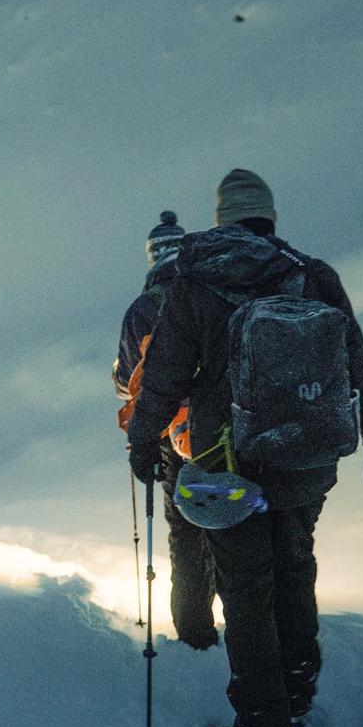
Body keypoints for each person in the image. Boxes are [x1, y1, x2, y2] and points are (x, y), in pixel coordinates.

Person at [125, 169, 363, 727]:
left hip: (224, 463)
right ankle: (297, 690)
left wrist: (143, 442)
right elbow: (356, 370)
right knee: (294, 569)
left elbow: (166, 376)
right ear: (270, 218)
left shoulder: (196, 282)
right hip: (303, 455)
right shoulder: (314, 276)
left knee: (246, 593)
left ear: (223, 219)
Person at [114, 211, 218, 651]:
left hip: (173, 437)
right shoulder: (213, 291)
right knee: (236, 524)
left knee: (186, 532)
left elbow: (126, 382)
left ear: (154, 257)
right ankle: (249, 615)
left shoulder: (143, 308)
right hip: (230, 431)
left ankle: (194, 634)